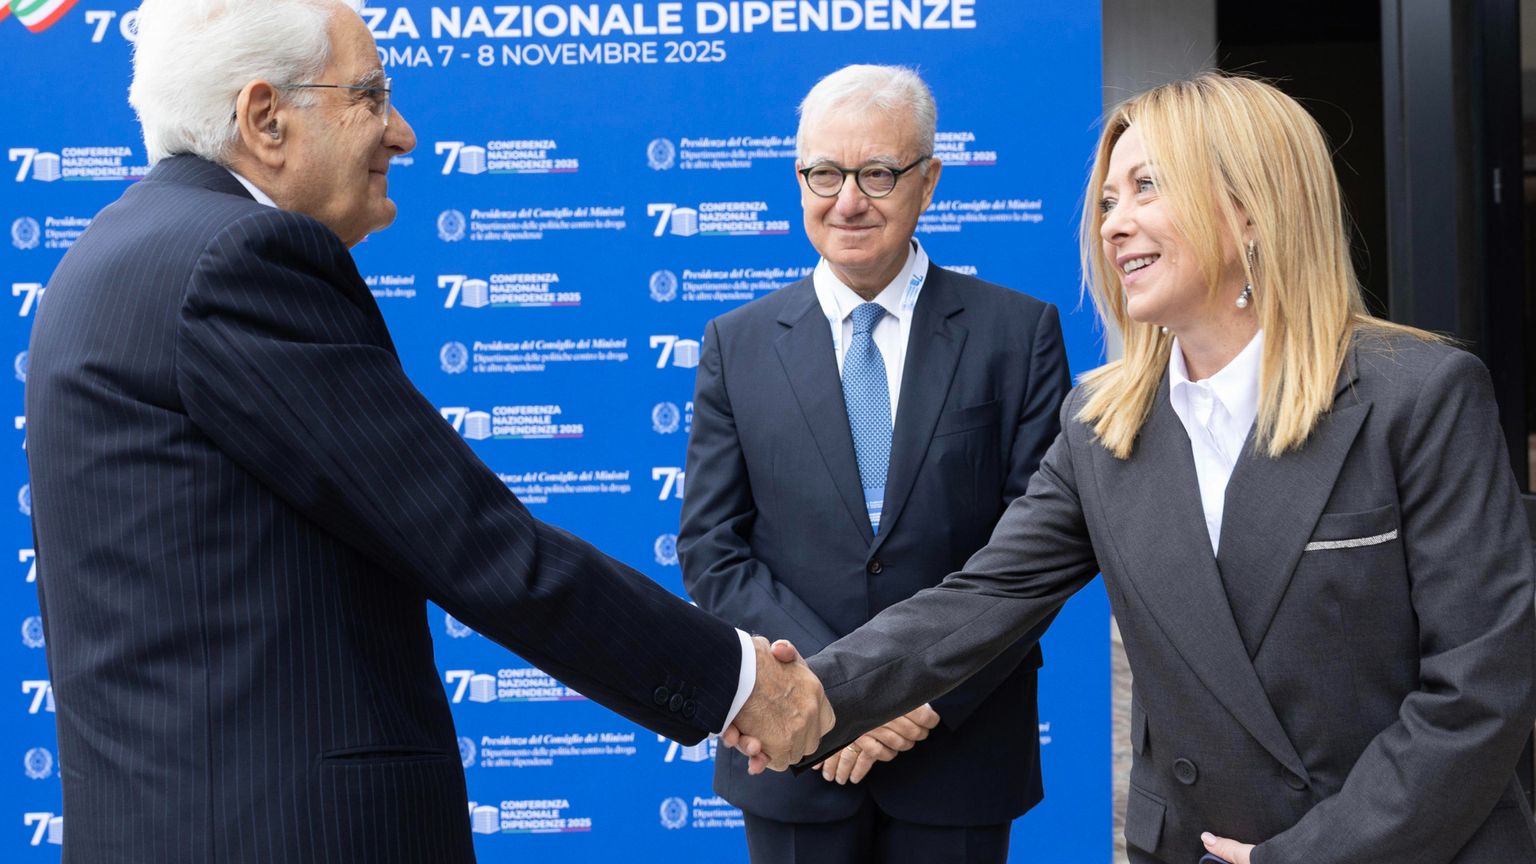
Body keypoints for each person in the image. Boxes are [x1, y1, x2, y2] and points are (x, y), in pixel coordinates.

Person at [25, 2, 829, 861]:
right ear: (265, 119)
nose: (401, 134)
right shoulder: (236, 262)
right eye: (370, 96)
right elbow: (477, 543)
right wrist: (736, 682)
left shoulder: (112, 253)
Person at [730, 73, 1536, 863]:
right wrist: (804, 692)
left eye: (1147, 187)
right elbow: (983, 599)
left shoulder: (1418, 397)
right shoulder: (1102, 426)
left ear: (1252, 208)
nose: (1114, 225)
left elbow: (1480, 693)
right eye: (1109, 200)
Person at [681, 64, 1070, 864]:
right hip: (793, 755)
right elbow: (714, 551)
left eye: (878, 174)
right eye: (824, 173)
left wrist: (910, 695)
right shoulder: (737, 345)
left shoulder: (1017, 335)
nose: (847, 200)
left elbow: (1036, 555)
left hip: (957, 749)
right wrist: (831, 698)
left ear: (928, 182)